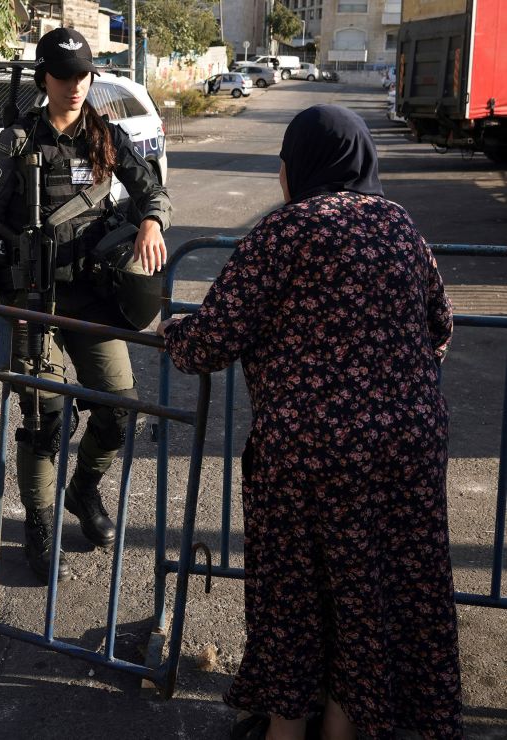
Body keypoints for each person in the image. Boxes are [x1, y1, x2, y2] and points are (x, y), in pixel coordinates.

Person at [158, 105, 462, 739]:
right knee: (368, 600)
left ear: (297, 166)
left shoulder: (284, 233)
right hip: (406, 451)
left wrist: (174, 331)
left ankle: (286, 731)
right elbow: (439, 329)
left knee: (293, 602)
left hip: (309, 458)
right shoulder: (401, 226)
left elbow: (212, 340)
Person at [0, 27, 171, 584]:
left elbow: (151, 188)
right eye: (65, 76)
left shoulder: (106, 136)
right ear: (44, 79)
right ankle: (38, 520)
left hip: (93, 303)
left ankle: (83, 489)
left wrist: (151, 221)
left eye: (84, 76)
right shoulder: (17, 141)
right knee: (43, 416)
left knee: (120, 405)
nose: (76, 86)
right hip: (31, 302)